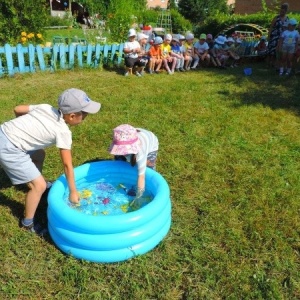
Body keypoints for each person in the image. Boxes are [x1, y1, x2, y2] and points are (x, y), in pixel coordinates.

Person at [0, 88, 101, 235]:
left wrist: (20, 128)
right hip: (10, 149)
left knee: (39, 155)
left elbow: (18, 109)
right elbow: (67, 165)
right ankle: (27, 223)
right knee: (39, 186)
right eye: (84, 114)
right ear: (72, 116)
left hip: (3, 132)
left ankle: (33, 181)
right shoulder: (62, 131)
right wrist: (73, 191)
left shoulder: (46, 108)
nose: (85, 117)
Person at [109, 124, 159, 199]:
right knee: (121, 162)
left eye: (124, 151)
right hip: (131, 136)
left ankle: (149, 185)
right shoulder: (122, 139)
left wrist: (138, 197)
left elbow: (141, 176)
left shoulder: (140, 153)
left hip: (151, 143)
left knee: (148, 168)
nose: (123, 153)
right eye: (121, 150)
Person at [267, 3, 289, 68]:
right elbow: (271, 27)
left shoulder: (287, 19)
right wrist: (268, 36)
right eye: (281, 11)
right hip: (274, 37)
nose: (281, 12)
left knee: (280, 51)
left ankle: (277, 64)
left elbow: (288, 28)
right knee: (272, 51)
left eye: (283, 11)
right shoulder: (276, 18)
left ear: (286, 11)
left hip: (282, 37)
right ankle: (270, 63)